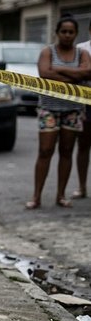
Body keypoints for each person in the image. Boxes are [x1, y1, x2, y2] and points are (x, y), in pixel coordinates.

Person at [26, 14, 91, 209]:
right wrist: (74, 76)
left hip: (73, 109)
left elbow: (88, 72)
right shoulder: (47, 51)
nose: (67, 35)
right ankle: (36, 196)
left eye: (71, 32)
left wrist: (58, 70)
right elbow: (45, 73)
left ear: (76, 34)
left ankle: (61, 195)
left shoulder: (81, 54)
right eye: (64, 31)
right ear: (57, 33)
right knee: (45, 151)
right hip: (49, 109)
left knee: (66, 151)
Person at [72, 20, 91, 199]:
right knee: (83, 146)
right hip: (84, 105)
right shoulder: (81, 49)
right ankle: (82, 186)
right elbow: (81, 73)